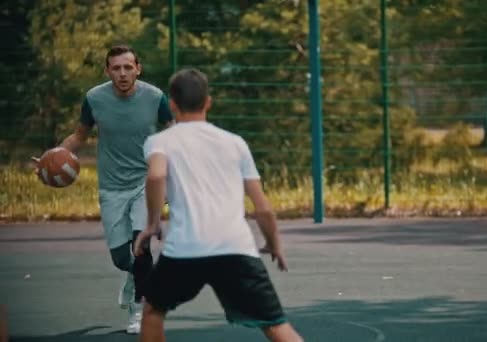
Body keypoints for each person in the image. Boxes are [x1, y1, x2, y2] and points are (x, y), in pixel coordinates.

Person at [134, 68, 303, 342]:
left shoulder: (159, 142)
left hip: (185, 250)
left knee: (153, 310)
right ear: (208, 102)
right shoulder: (235, 143)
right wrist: (274, 243)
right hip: (234, 247)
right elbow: (263, 207)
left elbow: (155, 175)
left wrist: (152, 224)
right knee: (275, 324)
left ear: (172, 104)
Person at [32, 45, 174, 334]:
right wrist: (52, 156)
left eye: (127, 67)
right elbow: (80, 134)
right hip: (111, 187)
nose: (122, 73)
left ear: (138, 68)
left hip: (146, 183)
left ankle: (138, 311)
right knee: (123, 258)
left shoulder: (155, 97)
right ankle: (134, 276)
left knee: (141, 246)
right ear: (107, 71)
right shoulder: (95, 98)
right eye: (116, 68)